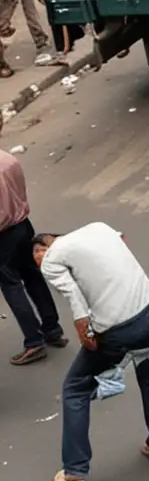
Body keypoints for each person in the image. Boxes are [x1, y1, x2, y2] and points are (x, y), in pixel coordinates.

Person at [36, 224, 149, 481]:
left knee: (75, 388)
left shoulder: (52, 259)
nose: (38, 263)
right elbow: (122, 240)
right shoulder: (98, 228)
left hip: (118, 328)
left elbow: (74, 301)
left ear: (46, 245)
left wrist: (84, 330)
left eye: (37, 255)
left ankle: (73, 473)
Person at [0, 152, 64, 366]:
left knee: (12, 286)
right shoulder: (9, 160)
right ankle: (53, 329)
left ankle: (34, 341)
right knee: (33, 276)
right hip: (23, 225)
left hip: (2, 235)